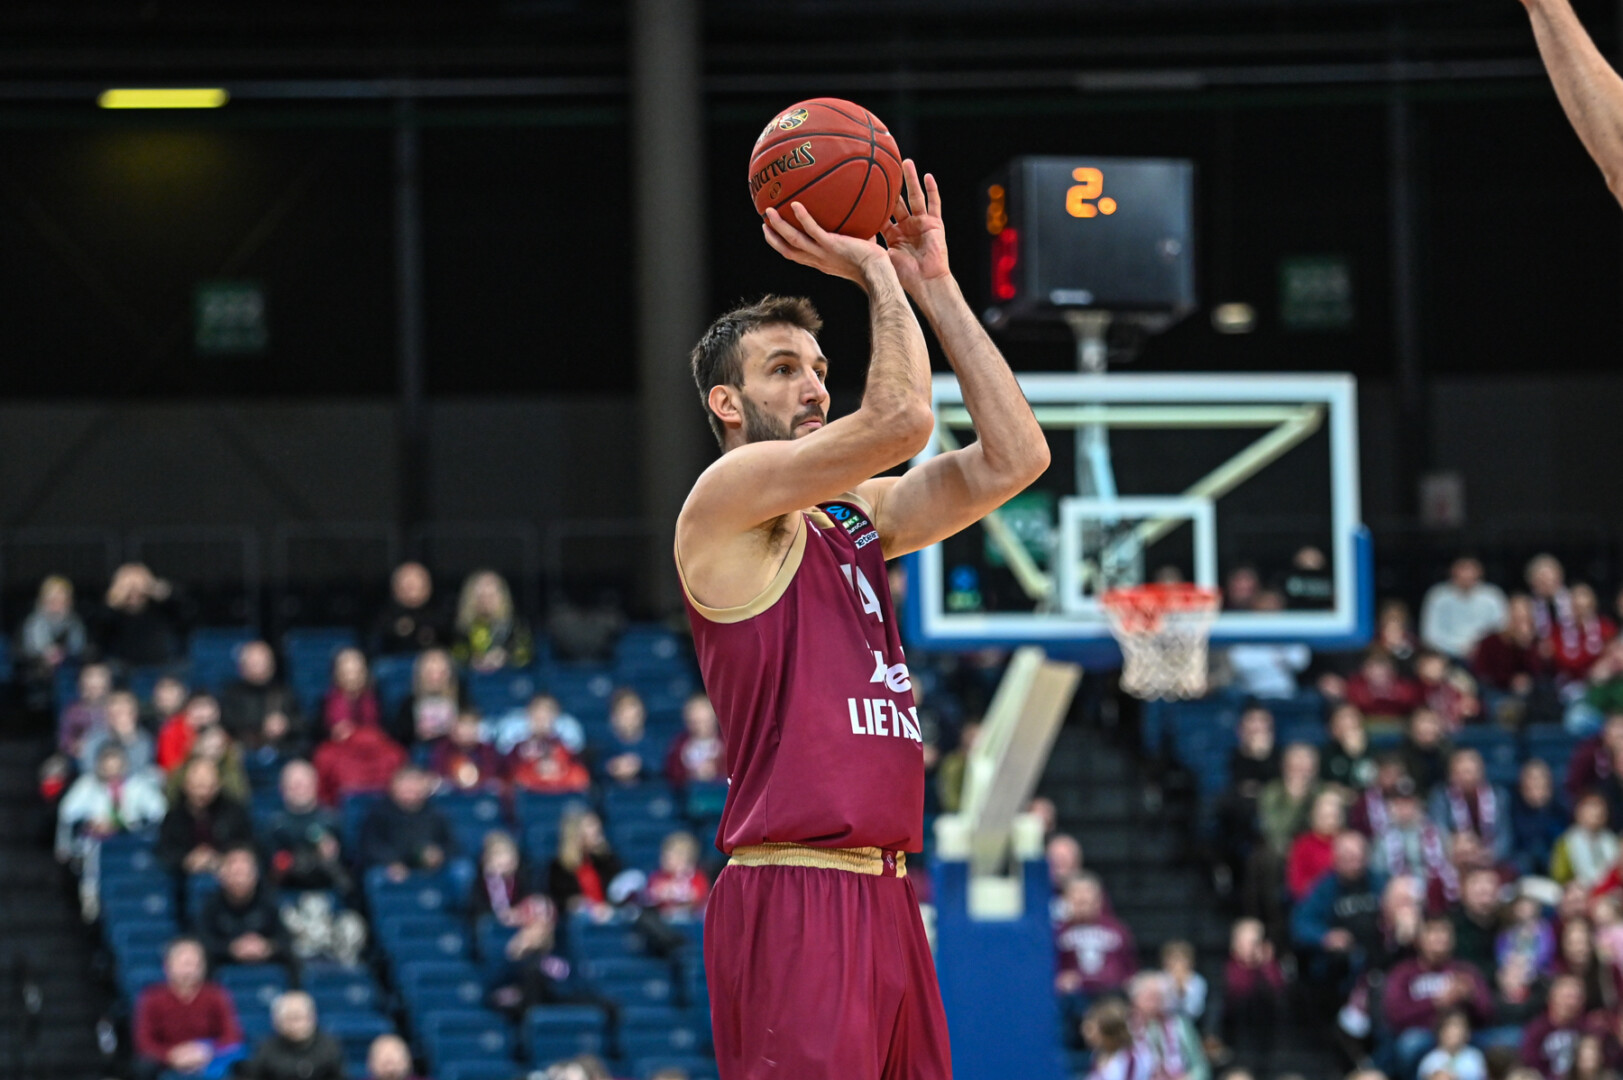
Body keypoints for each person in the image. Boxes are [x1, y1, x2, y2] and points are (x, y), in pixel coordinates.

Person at [676, 163, 1046, 1080]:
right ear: (727, 403)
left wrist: (937, 285)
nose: (813, 388)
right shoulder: (722, 500)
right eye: (783, 370)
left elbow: (1015, 457)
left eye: (819, 369)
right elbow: (901, 420)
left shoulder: (852, 516)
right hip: (792, 890)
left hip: (887, 891)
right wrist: (878, 270)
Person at [55, 743, 168, 919]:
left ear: (125, 764)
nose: (112, 772)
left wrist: (126, 824)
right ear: (99, 766)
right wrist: (90, 823)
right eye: (107, 767)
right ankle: (91, 899)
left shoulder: (139, 784)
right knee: (89, 853)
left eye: (116, 766)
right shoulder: (87, 785)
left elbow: (159, 811)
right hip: (97, 842)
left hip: (132, 840)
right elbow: (67, 813)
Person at [1382, 918, 1494, 1077]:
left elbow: (1487, 1012)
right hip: (1424, 1033)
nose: (1440, 938)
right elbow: (1395, 1014)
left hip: (1465, 1035)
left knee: (1501, 1043)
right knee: (1409, 1044)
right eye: (1433, 932)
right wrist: (1436, 1002)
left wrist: (1469, 998)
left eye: (1444, 932)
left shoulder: (1465, 970)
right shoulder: (1404, 972)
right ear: (1419, 939)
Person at [132, 938, 243, 1080]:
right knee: (143, 1067)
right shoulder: (152, 998)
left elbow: (232, 1035)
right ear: (167, 966)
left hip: (208, 1057)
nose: (190, 970)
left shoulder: (216, 995)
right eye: (185, 964)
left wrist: (206, 1051)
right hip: (168, 1059)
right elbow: (144, 1042)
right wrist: (171, 1055)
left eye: (196, 964)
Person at [196, 846, 292, 971]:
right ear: (221, 876)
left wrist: (267, 946)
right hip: (223, 965)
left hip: (265, 963)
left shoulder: (269, 901)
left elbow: (285, 939)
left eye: (244, 873)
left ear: (255, 875)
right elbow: (203, 941)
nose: (240, 880)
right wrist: (232, 948)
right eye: (235, 873)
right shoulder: (210, 905)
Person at [155, 758, 254, 879]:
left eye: (208, 787)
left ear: (218, 786)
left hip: (227, 875)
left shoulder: (234, 813)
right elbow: (165, 852)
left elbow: (246, 845)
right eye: (197, 786)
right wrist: (188, 859)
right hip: (182, 878)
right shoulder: (174, 817)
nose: (202, 793)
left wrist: (220, 858)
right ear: (186, 785)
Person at [266, 759, 351, 895]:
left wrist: (332, 858)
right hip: (287, 893)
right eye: (294, 785)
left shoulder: (332, 821)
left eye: (304, 784)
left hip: (327, 891)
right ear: (282, 789)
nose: (299, 790)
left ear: (315, 785)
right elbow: (269, 873)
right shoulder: (274, 826)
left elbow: (347, 872)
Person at [358, 765, 454, 881]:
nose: (410, 788)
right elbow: (370, 845)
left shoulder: (436, 812)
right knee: (376, 876)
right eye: (405, 783)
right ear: (393, 786)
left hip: (430, 867)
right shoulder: (378, 812)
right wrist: (391, 862)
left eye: (415, 783)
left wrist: (438, 854)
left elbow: (452, 844)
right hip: (389, 865)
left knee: (460, 870)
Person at [1054, 873, 1137, 1003]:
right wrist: (1059, 978)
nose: (1082, 896)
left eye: (1087, 894)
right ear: (1066, 900)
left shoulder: (1117, 930)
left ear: (1099, 900)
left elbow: (1130, 969)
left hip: (1111, 995)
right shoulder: (1057, 932)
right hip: (1073, 997)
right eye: (1076, 894)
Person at [219, 641, 307, 761]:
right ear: (242, 667)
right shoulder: (231, 693)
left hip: (281, 751)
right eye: (254, 664)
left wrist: (286, 724)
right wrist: (262, 726)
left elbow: (302, 723)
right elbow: (228, 722)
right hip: (243, 753)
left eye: (264, 663)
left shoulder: (284, 692)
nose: (260, 668)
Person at [1428, 749, 1514, 866]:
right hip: (1453, 860)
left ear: (1481, 773)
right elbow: (1438, 829)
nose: (1467, 778)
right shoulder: (1440, 796)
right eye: (1461, 772)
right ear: (1451, 775)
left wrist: (1488, 854)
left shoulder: (1499, 796)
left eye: (1470, 772)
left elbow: (1505, 836)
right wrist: (1455, 846)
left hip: (1490, 861)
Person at [1221, 918, 1285, 1069]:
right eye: (1247, 942)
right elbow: (1238, 991)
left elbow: (1278, 990)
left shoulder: (1269, 966)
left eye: (1255, 942)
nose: (1251, 947)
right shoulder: (1229, 966)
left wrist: (1265, 964)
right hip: (1238, 1034)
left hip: (1267, 1034)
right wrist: (1251, 966)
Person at [239, 991, 344, 1080]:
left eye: (299, 1017)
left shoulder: (329, 1047)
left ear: (313, 1018)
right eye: (290, 1018)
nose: (296, 1025)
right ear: (277, 1021)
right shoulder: (265, 1049)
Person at [18, 574, 87, 708]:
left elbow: (78, 647)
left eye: (61, 599)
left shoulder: (74, 622)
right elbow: (30, 649)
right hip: (37, 671)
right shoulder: (34, 622)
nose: (57, 603)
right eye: (52, 599)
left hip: (68, 670)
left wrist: (63, 654)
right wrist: (47, 655)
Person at [1422, 558, 1509, 662]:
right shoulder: (1438, 596)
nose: (1466, 575)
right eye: (1463, 570)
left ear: (1480, 572)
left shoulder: (1492, 596)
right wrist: (1458, 649)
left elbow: (1501, 628)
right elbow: (1430, 636)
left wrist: (1479, 648)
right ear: (1453, 572)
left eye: (1470, 570)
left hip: (1487, 654)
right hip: (1447, 656)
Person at [1127, 971, 1210, 1080]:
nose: (1154, 1002)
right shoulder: (1127, 1027)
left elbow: (1200, 1066)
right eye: (1149, 996)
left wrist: (1189, 1078)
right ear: (1135, 998)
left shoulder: (1179, 1024)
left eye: (1158, 996)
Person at [312, 715, 407, 806]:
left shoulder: (329, 753)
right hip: (389, 810)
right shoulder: (395, 752)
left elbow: (322, 789)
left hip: (340, 809)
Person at [547, 806, 622, 920]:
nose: (597, 829)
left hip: (609, 916)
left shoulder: (608, 861)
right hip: (578, 921)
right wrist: (575, 903)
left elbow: (617, 892)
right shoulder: (558, 867)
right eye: (591, 825)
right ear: (576, 832)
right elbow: (558, 900)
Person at [452, 569, 534, 672]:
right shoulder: (461, 629)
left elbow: (526, 655)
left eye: (491, 595)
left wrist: (505, 656)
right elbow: (456, 657)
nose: (486, 601)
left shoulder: (516, 626)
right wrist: (473, 659)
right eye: (481, 596)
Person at [507, 695, 591, 795]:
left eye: (547, 713)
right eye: (537, 714)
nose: (541, 718)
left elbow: (579, 775)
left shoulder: (566, 746)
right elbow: (509, 775)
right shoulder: (517, 748)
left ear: (556, 715)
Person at [372, 560, 450, 655]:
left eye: (416, 580)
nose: (411, 585)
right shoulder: (385, 615)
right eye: (406, 581)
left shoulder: (442, 612)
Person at [1520, 975, 1589, 1080]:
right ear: (1552, 998)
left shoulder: (1587, 1028)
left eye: (1576, 998)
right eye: (1567, 997)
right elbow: (1530, 1064)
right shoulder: (1537, 1029)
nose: (1571, 1003)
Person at [390, 647, 463, 747]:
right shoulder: (409, 704)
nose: (435, 678)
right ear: (420, 675)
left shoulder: (462, 701)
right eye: (430, 673)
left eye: (441, 673)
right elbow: (401, 737)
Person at [428, 708, 507, 793]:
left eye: (471, 726)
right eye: (463, 726)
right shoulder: (443, 749)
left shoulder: (487, 750)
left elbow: (491, 776)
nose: (467, 731)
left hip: (480, 794)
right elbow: (439, 777)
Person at [80, 689, 156, 776]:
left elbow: (139, 769)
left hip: (133, 781)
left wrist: (127, 736)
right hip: (100, 781)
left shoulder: (144, 739)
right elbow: (88, 768)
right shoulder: (94, 737)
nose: (117, 718)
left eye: (121, 713)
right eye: (113, 714)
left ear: (134, 713)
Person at [1288, 789, 1347, 902]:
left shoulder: (1349, 842)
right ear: (1314, 817)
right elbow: (1297, 884)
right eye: (1325, 816)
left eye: (1334, 816)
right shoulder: (1303, 845)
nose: (1330, 821)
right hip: (1315, 900)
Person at [1511, 760, 1568, 876]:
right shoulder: (1512, 806)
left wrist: (1542, 807)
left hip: (1552, 864)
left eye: (1540, 778)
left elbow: (1559, 840)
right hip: (1522, 865)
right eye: (1531, 778)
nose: (1536, 782)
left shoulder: (1560, 808)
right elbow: (1515, 842)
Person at [1551, 791, 1618, 888]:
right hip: (1578, 891)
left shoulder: (1611, 840)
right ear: (1579, 811)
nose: (1597, 812)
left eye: (1600, 808)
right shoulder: (1567, 841)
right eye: (1591, 807)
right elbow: (1559, 877)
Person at [1081, 999, 1155, 1080]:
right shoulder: (1097, 1055)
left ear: (1108, 1034)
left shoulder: (1129, 1059)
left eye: (1092, 1030)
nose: (1088, 1035)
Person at [644, 831, 710, 920]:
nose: (664, 859)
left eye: (670, 857)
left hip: (690, 919)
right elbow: (649, 896)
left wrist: (677, 892)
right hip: (662, 919)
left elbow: (698, 897)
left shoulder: (697, 877)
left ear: (685, 859)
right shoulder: (656, 876)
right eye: (664, 855)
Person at [663, 692, 724, 789]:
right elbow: (673, 775)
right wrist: (692, 774)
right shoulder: (678, 746)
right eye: (696, 722)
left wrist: (716, 770)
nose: (701, 727)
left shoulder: (727, 744)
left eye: (706, 721)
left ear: (715, 718)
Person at [595, 688, 655, 786]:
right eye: (623, 711)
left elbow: (659, 767)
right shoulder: (604, 745)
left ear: (642, 714)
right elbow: (597, 769)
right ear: (613, 717)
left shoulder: (654, 743)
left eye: (633, 711)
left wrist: (638, 766)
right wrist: (612, 767)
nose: (628, 717)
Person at [156, 693, 224, 774]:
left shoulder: (216, 732)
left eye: (208, 707)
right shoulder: (172, 730)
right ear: (188, 708)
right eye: (198, 707)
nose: (203, 712)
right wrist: (193, 751)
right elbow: (169, 766)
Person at [58, 661, 112, 761]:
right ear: (81, 685)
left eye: (99, 685)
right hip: (85, 759)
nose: (94, 689)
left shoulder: (115, 707)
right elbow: (64, 741)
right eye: (90, 686)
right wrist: (74, 747)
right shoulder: (73, 712)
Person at [322, 647, 381, 735]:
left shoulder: (376, 699)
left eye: (357, 672)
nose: (352, 678)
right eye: (347, 672)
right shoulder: (327, 702)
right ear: (337, 674)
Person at [1417, 1011, 1488, 1080]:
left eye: (1458, 1027)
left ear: (1467, 1033)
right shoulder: (1430, 1060)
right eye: (1449, 1028)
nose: (1453, 1032)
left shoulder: (1475, 1057)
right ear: (1440, 1033)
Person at [1323, 704, 1378, 793]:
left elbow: (1377, 782)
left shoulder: (1376, 748)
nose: (1348, 724)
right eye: (1342, 719)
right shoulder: (1326, 755)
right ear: (1333, 729)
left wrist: (1358, 753)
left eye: (1352, 718)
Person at [1161, 940, 1207, 1025]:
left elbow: (1194, 1011)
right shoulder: (1160, 979)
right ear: (1166, 961)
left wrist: (1181, 990)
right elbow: (1161, 1007)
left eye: (1182, 959)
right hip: (1163, 1025)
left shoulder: (1197, 981)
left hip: (1190, 1024)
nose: (1178, 963)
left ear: (1190, 961)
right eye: (1174, 959)